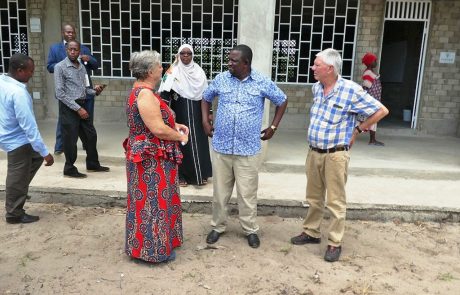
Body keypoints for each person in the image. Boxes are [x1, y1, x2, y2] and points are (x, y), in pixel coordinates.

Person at [290, 48, 389, 262]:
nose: (312, 67)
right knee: (314, 197)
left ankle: (335, 242)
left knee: (335, 201)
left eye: (316, 64)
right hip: (314, 152)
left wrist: (358, 130)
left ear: (330, 68)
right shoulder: (317, 88)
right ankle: (311, 232)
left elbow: (381, 111)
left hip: (336, 155)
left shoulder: (350, 90)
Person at [202, 44, 288, 249]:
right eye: (229, 59)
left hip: (248, 149)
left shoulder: (261, 81)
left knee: (247, 194)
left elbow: (282, 100)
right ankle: (217, 227)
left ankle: (250, 229)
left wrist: (273, 126)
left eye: (233, 60)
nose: (229, 63)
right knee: (220, 193)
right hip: (222, 146)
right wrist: (205, 121)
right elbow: (206, 97)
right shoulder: (221, 78)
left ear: (246, 63)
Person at [123, 50, 189, 263]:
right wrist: (178, 136)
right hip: (149, 159)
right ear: (150, 71)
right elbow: (157, 129)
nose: (163, 68)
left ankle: (154, 245)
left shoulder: (144, 91)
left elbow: (156, 122)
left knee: (152, 201)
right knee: (153, 203)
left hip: (149, 155)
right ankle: (153, 251)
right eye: (160, 65)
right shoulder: (144, 94)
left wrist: (175, 125)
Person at [0, 53, 54, 224]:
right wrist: (46, 152)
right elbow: (29, 127)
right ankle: (14, 213)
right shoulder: (19, 93)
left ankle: (18, 190)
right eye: (30, 71)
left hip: (10, 134)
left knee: (34, 160)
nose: (32, 74)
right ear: (20, 70)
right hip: (17, 140)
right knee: (18, 173)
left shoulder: (3, 81)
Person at [159, 44, 212, 187]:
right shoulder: (172, 72)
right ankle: (181, 175)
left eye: (189, 53)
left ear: (193, 55)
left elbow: (206, 95)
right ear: (178, 55)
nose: (186, 56)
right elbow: (164, 93)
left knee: (199, 142)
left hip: (197, 112)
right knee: (182, 142)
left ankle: (200, 174)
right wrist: (164, 113)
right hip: (180, 113)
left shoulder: (199, 72)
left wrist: (209, 115)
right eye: (183, 53)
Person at [54, 40, 109, 178]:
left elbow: (85, 89)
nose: (73, 52)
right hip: (69, 108)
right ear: (66, 49)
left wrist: (95, 91)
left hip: (82, 105)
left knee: (91, 135)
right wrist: (78, 109)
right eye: (70, 49)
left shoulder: (82, 68)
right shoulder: (60, 67)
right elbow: (59, 93)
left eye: (76, 50)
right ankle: (69, 167)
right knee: (70, 139)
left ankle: (92, 163)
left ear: (80, 51)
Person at [47, 24, 101, 154]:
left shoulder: (83, 49)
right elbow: (50, 67)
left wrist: (89, 59)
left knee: (87, 119)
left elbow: (95, 65)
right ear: (63, 33)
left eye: (72, 32)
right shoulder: (55, 49)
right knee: (65, 122)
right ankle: (60, 147)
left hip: (85, 90)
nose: (70, 34)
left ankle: (87, 145)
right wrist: (66, 65)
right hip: (67, 93)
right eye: (67, 32)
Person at [358, 52, 384, 146]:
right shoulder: (368, 73)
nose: (376, 62)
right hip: (371, 100)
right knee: (372, 119)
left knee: (371, 119)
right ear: (369, 62)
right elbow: (366, 87)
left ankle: (372, 139)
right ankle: (372, 140)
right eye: (374, 60)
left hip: (374, 100)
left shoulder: (370, 72)